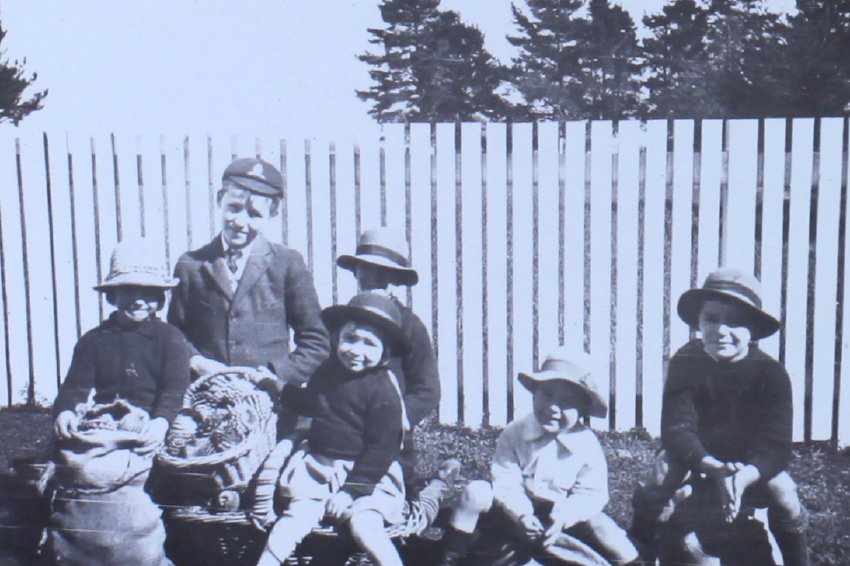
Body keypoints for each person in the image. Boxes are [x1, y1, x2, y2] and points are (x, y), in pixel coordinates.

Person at [630, 268, 809, 565]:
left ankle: (797, 559)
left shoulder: (771, 373)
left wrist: (748, 473)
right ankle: (639, 550)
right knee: (662, 471)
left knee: (784, 490)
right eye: (711, 319)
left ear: (753, 330)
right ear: (699, 322)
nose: (721, 331)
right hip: (698, 456)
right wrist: (711, 465)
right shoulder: (686, 361)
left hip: (749, 464)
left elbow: (776, 446)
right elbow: (677, 428)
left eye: (735, 321)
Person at [437, 347, 640, 566]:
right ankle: (451, 555)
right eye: (547, 395)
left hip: (561, 518)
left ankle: (634, 562)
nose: (553, 408)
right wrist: (522, 515)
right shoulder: (515, 433)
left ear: (582, 410)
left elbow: (591, 494)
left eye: (567, 402)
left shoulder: (586, 445)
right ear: (535, 393)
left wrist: (563, 516)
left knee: (605, 529)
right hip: (512, 513)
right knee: (476, 491)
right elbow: (506, 483)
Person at [256, 293, 409, 566]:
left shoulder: (383, 389)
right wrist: (276, 386)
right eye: (350, 338)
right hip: (318, 469)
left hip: (368, 475)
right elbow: (310, 402)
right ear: (337, 338)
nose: (356, 350)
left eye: (369, 344)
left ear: (385, 352)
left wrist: (350, 492)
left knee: (365, 526)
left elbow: (382, 449)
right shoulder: (328, 372)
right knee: (292, 520)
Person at [167, 156, 329, 400]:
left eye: (254, 214)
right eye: (233, 208)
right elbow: (174, 335)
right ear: (219, 200)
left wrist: (276, 375)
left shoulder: (287, 263)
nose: (240, 222)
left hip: (270, 402)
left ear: (273, 213)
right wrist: (198, 363)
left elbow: (316, 341)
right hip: (208, 398)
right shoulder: (191, 265)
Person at [53, 238, 192, 452]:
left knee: (182, 443)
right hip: (106, 419)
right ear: (112, 295)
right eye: (128, 291)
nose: (138, 301)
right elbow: (74, 387)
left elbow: (174, 392)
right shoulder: (93, 340)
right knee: (73, 451)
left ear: (160, 298)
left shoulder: (171, 338)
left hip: (153, 422)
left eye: (148, 293)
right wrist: (66, 411)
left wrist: (162, 421)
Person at [336, 226, 440, 489]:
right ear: (355, 271)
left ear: (395, 278)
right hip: (340, 430)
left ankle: (432, 490)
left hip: (385, 436)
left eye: (382, 273)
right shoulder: (344, 322)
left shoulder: (409, 325)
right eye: (366, 269)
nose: (373, 278)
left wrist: (395, 417)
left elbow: (428, 389)